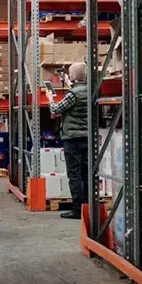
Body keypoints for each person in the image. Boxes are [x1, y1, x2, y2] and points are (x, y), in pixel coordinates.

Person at [45, 62, 88, 220]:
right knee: (86, 173)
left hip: (73, 138)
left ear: (73, 76)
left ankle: (77, 209)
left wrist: (50, 99)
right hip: (87, 137)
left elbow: (55, 110)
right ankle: (88, 206)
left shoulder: (73, 94)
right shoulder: (91, 90)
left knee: (74, 174)